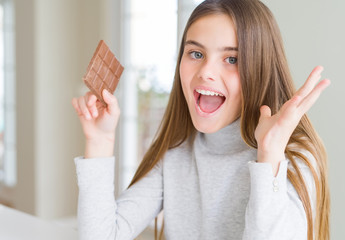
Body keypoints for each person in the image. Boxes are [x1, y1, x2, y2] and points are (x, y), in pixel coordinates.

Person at [71, 0, 330, 239]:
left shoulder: (294, 160)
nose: (206, 72)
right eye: (196, 54)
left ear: (259, 69)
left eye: (232, 59)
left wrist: (269, 158)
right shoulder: (176, 154)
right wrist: (100, 141)